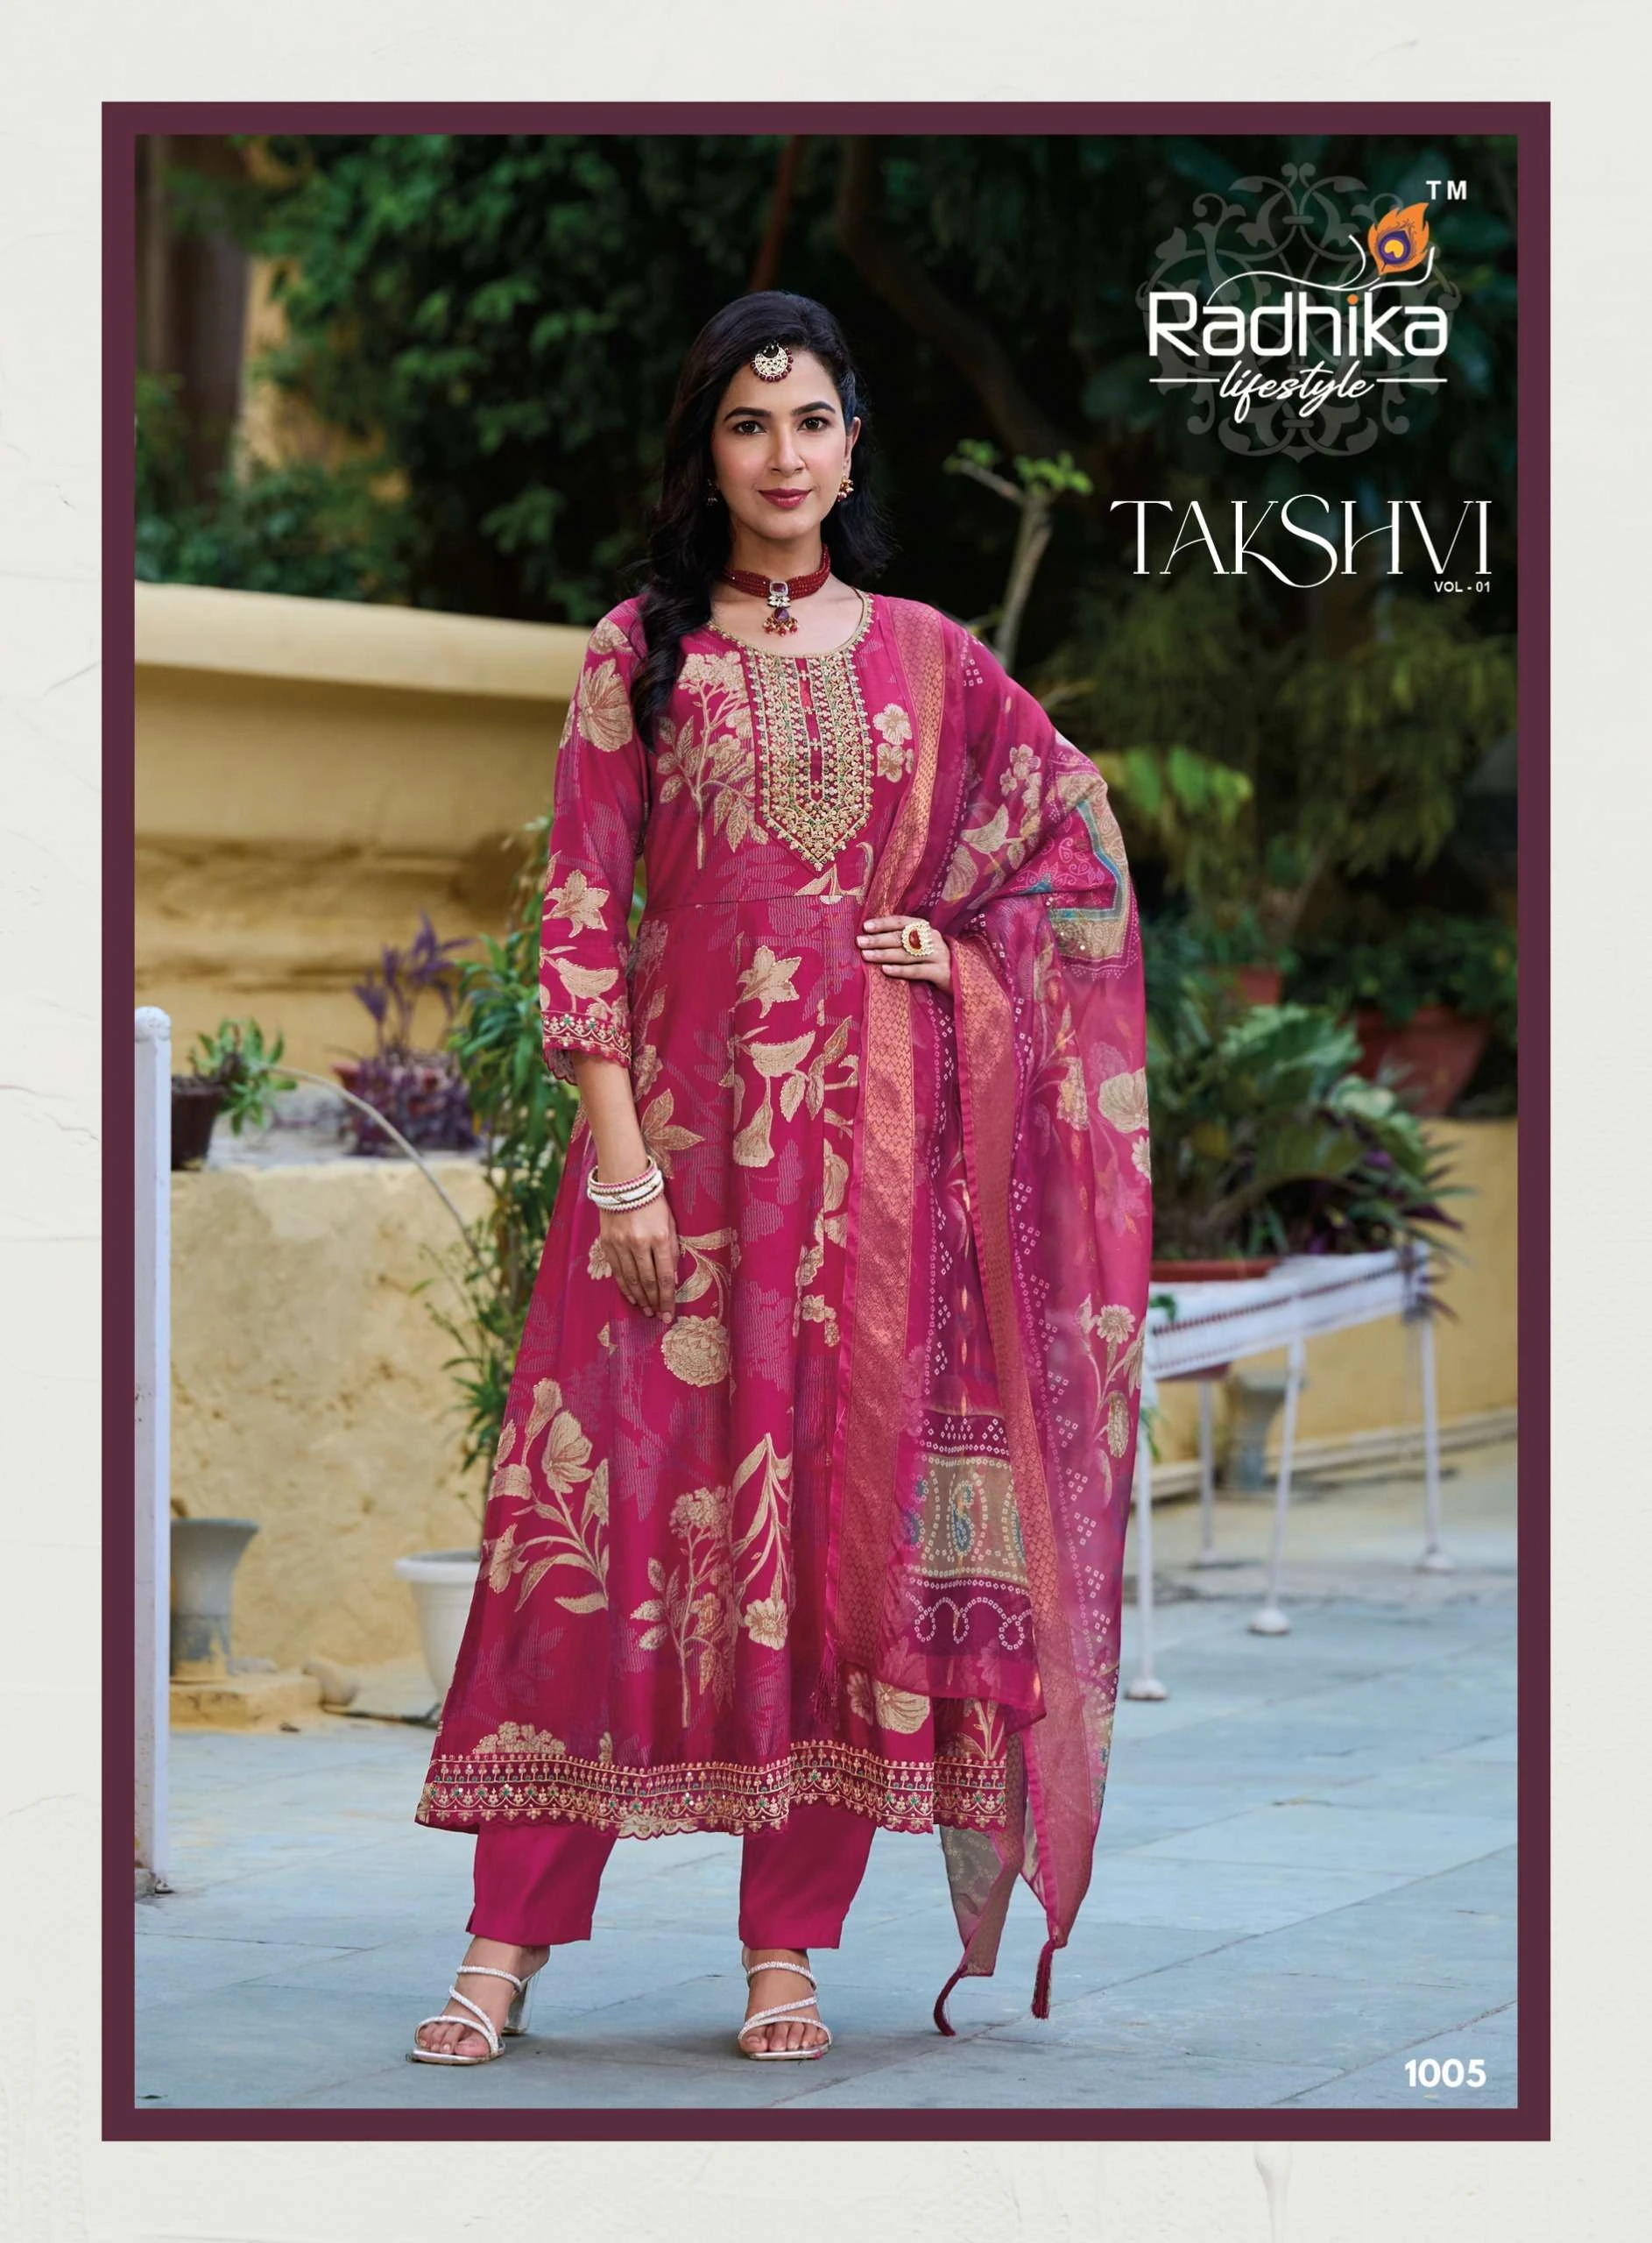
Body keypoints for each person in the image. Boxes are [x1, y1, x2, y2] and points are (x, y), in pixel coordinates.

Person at [409, 290, 1152, 2068]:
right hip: (673, 1173)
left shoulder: (930, 658)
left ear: (852, 440)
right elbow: (578, 924)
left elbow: (1074, 859)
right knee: (589, 1541)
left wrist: (953, 956)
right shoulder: (635, 653)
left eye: (810, 420)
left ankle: (785, 1948)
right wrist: (623, 1179)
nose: (783, 455)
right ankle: (504, 1944)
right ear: (709, 449)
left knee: (835, 1553)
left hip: (872, 1185)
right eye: (750, 425)